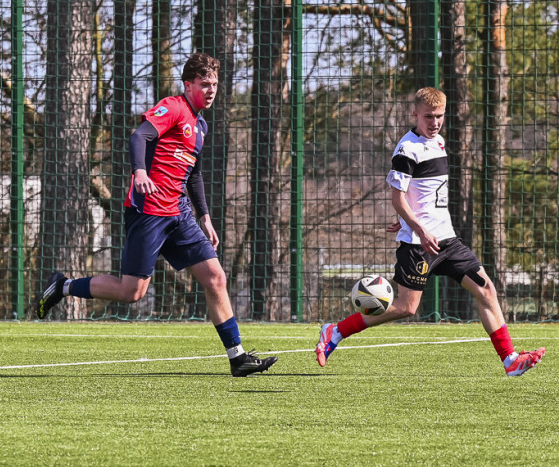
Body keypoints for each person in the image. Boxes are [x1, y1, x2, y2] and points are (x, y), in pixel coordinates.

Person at [36, 53, 277, 378]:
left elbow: (193, 175)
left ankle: (237, 357)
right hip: (148, 211)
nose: (210, 90)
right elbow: (139, 136)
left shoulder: (200, 126)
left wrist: (204, 216)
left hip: (179, 213)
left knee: (216, 278)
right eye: (204, 84)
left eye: (215, 85)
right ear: (188, 84)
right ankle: (64, 286)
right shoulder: (174, 107)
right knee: (131, 292)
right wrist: (139, 172)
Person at [315, 87, 546, 376]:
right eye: (428, 117)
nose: (434, 122)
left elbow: (422, 193)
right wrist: (417, 227)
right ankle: (335, 331)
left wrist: (411, 219)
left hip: (446, 239)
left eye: (439, 116)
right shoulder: (406, 149)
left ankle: (510, 360)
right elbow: (396, 197)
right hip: (417, 243)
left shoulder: (439, 142)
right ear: (415, 115)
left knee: (486, 289)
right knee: (405, 308)